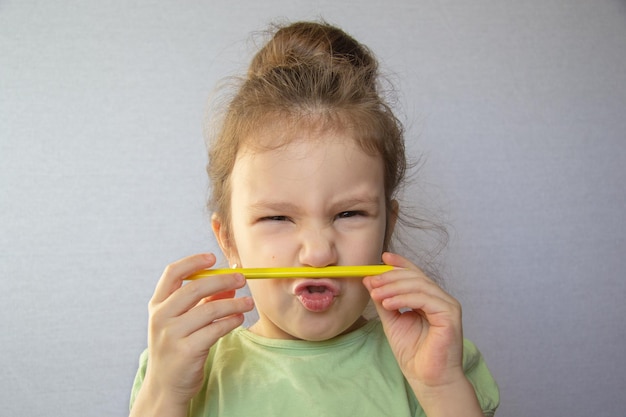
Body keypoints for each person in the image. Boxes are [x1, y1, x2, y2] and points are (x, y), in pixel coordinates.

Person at [129, 20, 499, 417]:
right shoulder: (180, 371)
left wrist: (440, 387)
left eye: (349, 213)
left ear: (387, 229)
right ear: (228, 240)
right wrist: (165, 393)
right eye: (277, 218)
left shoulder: (437, 363)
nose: (319, 252)